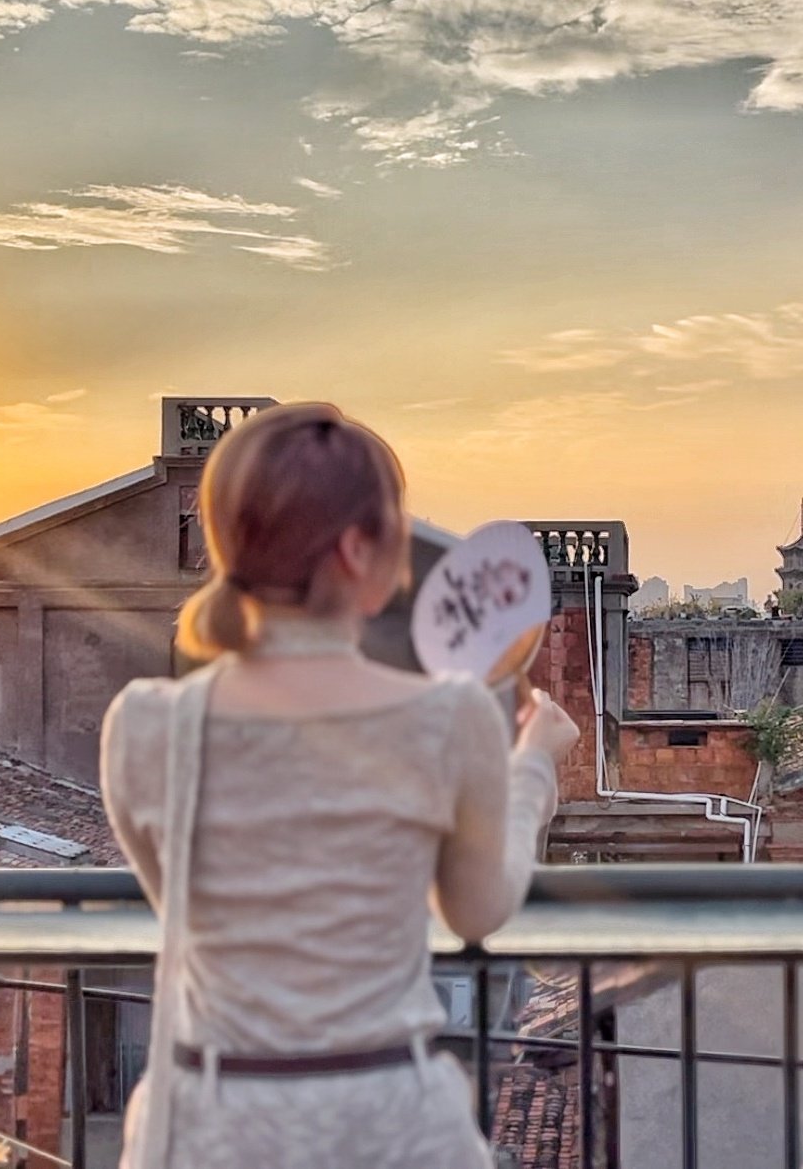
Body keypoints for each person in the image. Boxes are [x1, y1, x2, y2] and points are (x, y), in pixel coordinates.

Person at [100, 402, 580, 1169]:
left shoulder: (147, 724)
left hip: (211, 1128)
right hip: (389, 1122)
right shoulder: (446, 715)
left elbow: (191, 908)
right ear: (358, 549)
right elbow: (477, 909)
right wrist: (532, 767)